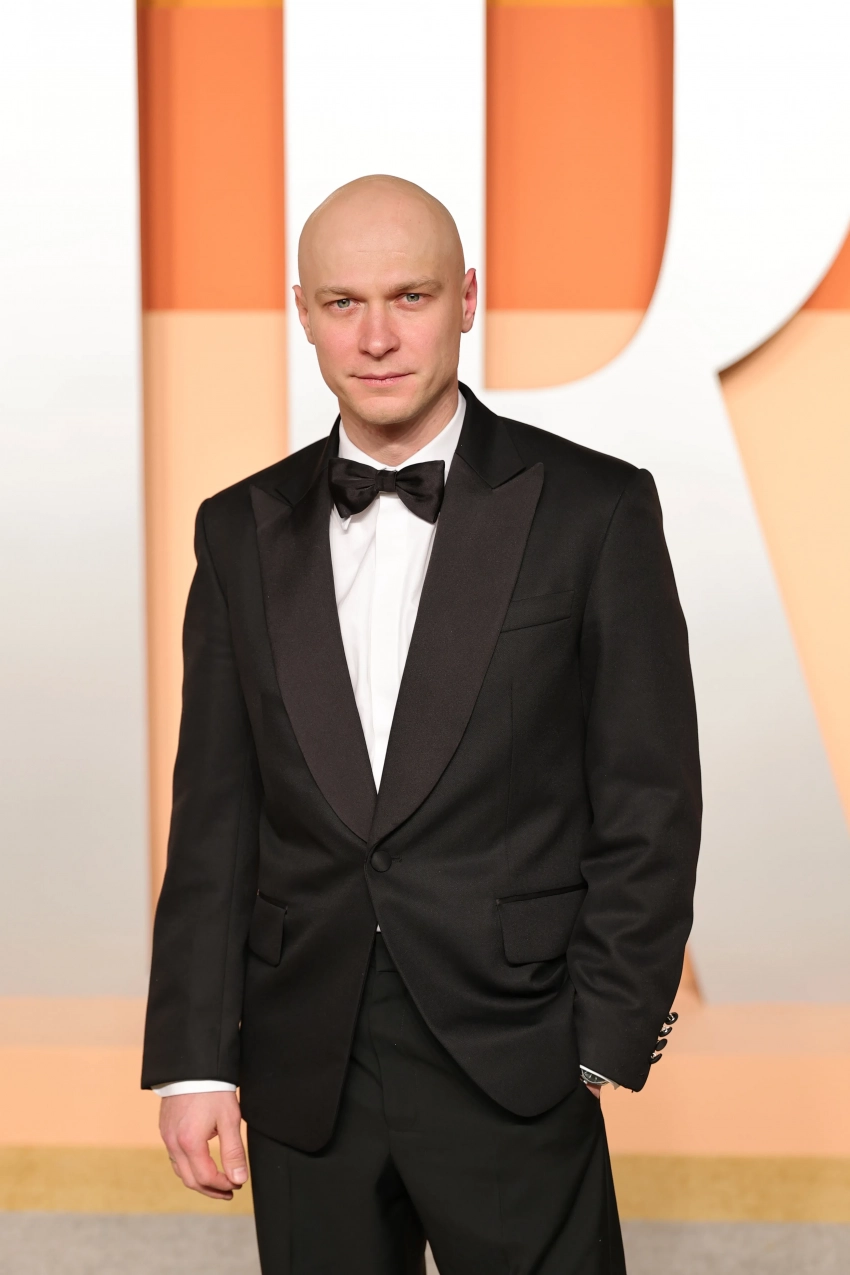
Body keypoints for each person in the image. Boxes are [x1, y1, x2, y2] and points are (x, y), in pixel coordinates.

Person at [142, 174, 701, 1274]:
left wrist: (600, 1037)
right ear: (303, 313)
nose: (378, 336)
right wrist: (195, 1060)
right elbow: (216, 814)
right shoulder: (238, 529)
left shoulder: (594, 509)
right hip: (303, 1060)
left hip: (518, 1048)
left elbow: (649, 794)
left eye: (411, 295)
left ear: (468, 299)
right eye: (343, 303)